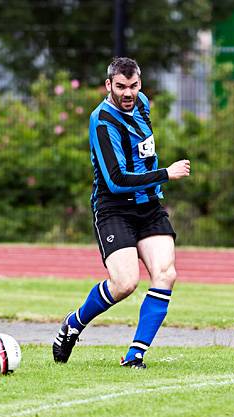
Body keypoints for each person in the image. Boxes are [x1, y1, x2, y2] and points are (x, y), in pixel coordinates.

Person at [52, 57, 190, 369]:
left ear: (140, 85)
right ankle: (74, 323)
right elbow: (116, 181)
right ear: (108, 86)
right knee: (126, 283)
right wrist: (166, 174)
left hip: (149, 207)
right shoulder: (102, 121)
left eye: (133, 86)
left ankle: (134, 356)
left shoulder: (142, 104)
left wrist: (156, 180)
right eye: (121, 87)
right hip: (114, 208)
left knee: (166, 274)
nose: (128, 93)